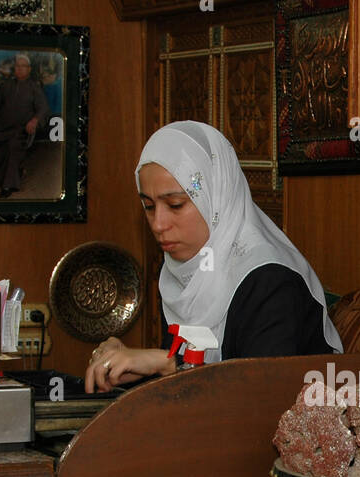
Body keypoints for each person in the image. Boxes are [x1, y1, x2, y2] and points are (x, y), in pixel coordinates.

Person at [85, 121, 342, 392]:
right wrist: (132, 366)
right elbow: (190, 397)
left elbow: (261, 397)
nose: (158, 224)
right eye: (148, 206)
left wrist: (167, 364)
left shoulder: (270, 279)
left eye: (175, 205)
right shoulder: (186, 269)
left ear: (216, 198)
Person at [0, 53, 49, 198]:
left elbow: (43, 108)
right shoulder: (8, 85)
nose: (19, 69)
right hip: (1, 125)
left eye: (23, 66)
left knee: (13, 144)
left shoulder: (34, 87)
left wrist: (35, 120)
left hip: (20, 129)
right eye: (17, 66)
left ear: (29, 69)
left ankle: (9, 185)